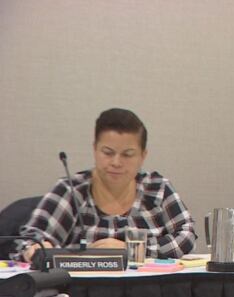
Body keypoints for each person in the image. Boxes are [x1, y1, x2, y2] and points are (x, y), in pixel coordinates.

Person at [18, 108, 196, 261]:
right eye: (108, 152)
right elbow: (28, 241)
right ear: (95, 149)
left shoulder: (157, 189)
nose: (116, 162)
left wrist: (133, 250)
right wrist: (36, 249)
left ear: (143, 155)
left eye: (127, 154)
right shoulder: (72, 190)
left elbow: (187, 236)